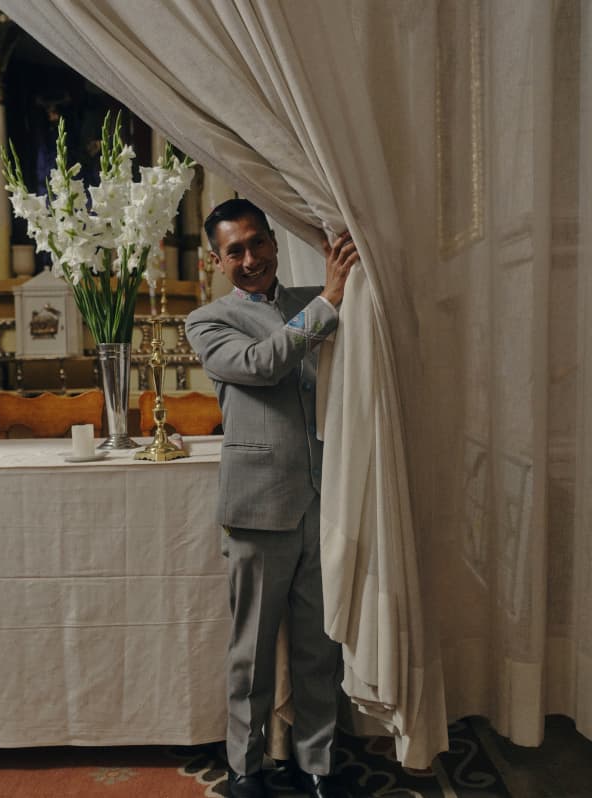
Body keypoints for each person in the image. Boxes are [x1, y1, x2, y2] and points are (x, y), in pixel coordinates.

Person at [185, 199, 359, 798]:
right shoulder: (207, 321)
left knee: (319, 644)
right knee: (251, 652)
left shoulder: (314, 295)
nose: (251, 257)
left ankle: (317, 765)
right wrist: (329, 303)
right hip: (258, 504)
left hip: (326, 498)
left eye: (258, 242)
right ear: (217, 260)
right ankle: (245, 767)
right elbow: (262, 365)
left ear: (274, 243)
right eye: (235, 250)